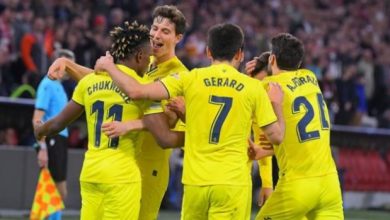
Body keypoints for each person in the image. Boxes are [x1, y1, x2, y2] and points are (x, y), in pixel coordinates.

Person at [94, 23, 285, 219]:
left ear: (208, 52)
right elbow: (277, 137)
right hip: (232, 183)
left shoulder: (189, 79)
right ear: (240, 55)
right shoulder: (253, 88)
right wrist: (277, 104)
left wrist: (110, 66)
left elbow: (136, 91)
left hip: (195, 183)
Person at [45, 5, 188, 219]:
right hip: (120, 167)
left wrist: (130, 125)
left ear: (178, 38)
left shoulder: (179, 74)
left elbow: (167, 120)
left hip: (149, 168)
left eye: (165, 32)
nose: (156, 35)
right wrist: (68, 64)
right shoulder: (143, 62)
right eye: (155, 28)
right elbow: (101, 81)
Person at [249, 33, 343, 219]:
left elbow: (245, 92)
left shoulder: (268, 86)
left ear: (273, 59)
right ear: (298, 63)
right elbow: (297, 134)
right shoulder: (311, 78)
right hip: (330, 184)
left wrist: (249, 76)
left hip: (298, 186)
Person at [32, 48, 75, 220]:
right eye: (69, 65)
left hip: (59, 139)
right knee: (55, 190)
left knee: (58, 191)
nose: (72, 69)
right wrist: (41, 147)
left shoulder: (58, 85)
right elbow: (37, 118)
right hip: (51, 139)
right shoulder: (47, 84)